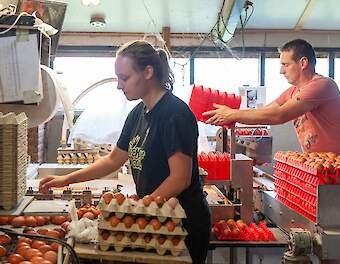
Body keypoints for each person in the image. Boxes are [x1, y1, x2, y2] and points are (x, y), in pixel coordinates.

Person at [39, 40, 211, 264]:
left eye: (125, 77)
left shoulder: (174, 114)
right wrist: (66, 179)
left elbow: (180, 179)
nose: (119, 85)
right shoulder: (138, 113)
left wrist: (139, 211)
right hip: (155, 216)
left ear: (148, 72)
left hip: (180, 222)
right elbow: (113, 160)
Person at [203, 38, 340, 162]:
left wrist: (233, 115)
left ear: (303, 63)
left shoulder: (322, 85)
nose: (281, 71)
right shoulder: (292, 92)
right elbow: (265, 112)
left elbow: (279, 115)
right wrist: (227, 116)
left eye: (285, 64)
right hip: (322, 165)